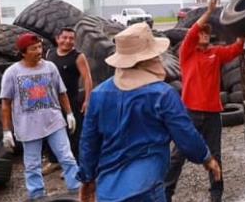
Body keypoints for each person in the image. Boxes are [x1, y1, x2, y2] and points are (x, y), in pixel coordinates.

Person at [77, 23, 220, 202]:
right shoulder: (162, 94)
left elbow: (88, 142)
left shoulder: (99, 94)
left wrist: (87, 178)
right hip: (146, 187)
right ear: (149, 58)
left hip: (108, 190)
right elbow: (185, 134)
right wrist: (206, 158)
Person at [165, 0, 244, 202]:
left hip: (212, 114)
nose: (204, 35)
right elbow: (191, 31)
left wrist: (244, 29)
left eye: (207, 33)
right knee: (178, 155)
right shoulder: (186, 53)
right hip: (190, 112)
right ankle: (166, 192)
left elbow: (236, 49)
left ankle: (216, 194)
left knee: (215, 155)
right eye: (201, 32)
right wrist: (209, 11)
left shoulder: (216, 54)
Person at [0, 33, 80, 200]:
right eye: (33, 48)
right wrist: (6, 130)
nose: (39, 51)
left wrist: (70, 113)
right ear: (23, 52)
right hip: (28, 125)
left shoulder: (50, 67)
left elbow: (61, 92)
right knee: (32, 164)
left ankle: (77, 188)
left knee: (66, 156)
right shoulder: (12, 73)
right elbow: (6, 103)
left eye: (39, 47)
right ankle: (37, 195)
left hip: (53, 121)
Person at [43, 27, 93, 172]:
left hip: (72, 100)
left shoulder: (78, 56)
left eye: (71, 38)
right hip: (51, 101)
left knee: (74, 132)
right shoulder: (49, 53)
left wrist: (87, 100)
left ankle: (74, 165)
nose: (67, 41)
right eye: (64, 38)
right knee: (51, 131)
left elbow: (87, 78)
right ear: (58, 39)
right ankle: (54, 161)